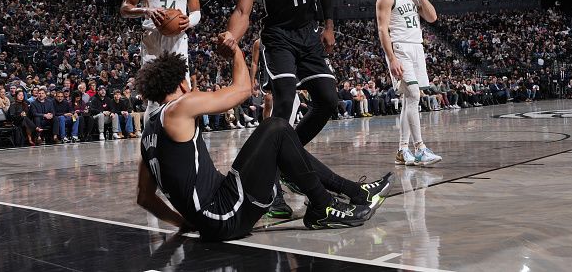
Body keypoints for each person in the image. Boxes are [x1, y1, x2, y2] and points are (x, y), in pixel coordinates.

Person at [135, 47, 394, 241]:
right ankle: (323, 205)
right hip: (226, 213)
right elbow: (242, 90)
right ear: (183, 82)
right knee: (277, 128)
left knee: (277, 137)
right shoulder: (180, 106)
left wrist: (184, 222)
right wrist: (235, 49)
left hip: (215, 216)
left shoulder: (148, 133)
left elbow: (144, 198)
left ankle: (355, 193)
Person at [218, 0, 338, 217]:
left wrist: (328, 26)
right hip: (279, 37)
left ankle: (288, 159)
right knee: (284, 101)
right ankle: (274, 192)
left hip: (309, 34)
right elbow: (243, 10)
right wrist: (231, 35)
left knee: (328, 100)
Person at [120, 0, 201, 126]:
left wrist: (187, 22)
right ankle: (150, 140)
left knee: (182, 91)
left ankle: (184, 136)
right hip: (152, 38)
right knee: (155, 96)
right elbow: (125, 8)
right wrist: (145, 10)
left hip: (178, 38)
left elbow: (196, 12)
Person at [375, 0, 442, 166]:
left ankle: (402, 150)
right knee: (413, 94)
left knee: (410, 100)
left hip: (417, 49)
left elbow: (432, 17)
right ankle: (420, 148)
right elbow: (382, 30)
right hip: (400, 49)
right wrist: (392, 58)